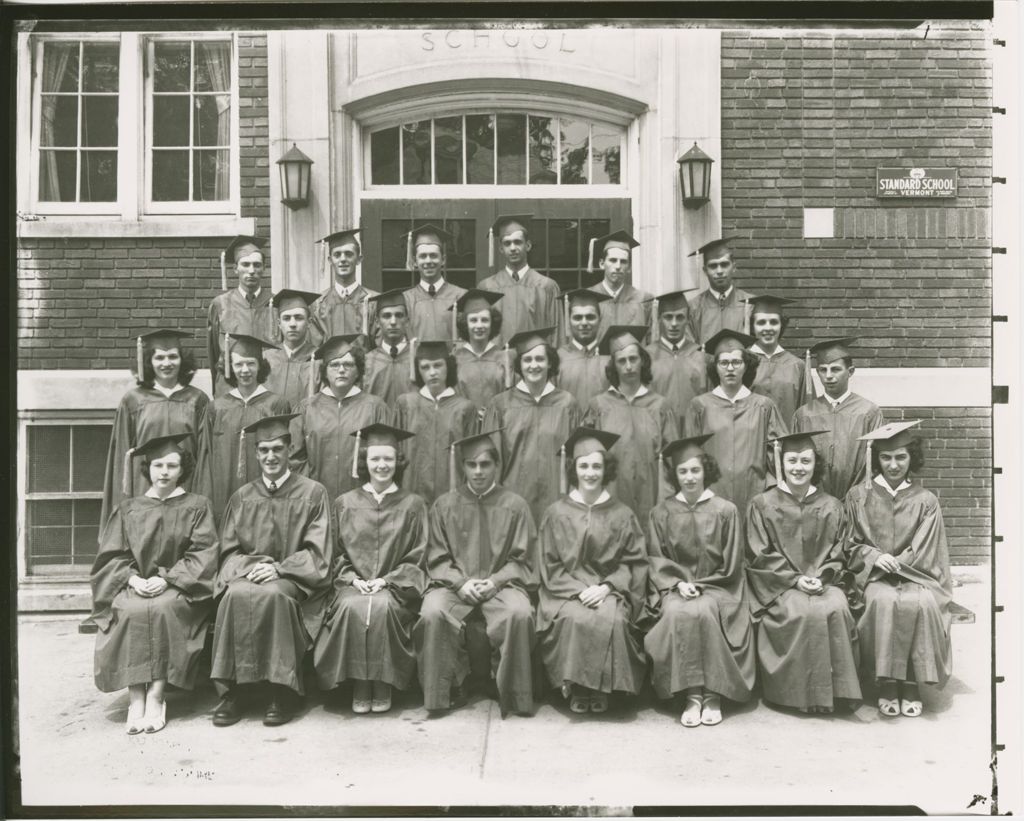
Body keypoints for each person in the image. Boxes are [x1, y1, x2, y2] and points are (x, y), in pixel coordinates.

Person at [91, 432, 219, 735]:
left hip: (179, 587)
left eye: (172, 466)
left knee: (162, 609)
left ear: (182, 469)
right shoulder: (129, 508)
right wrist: (133, 579)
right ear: (146, 468)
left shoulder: (197, 506)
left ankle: (157, 696)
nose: (164, 472)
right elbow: (111, 556)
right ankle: (136, 698)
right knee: (131, 611)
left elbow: (203, 554)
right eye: (158, 465)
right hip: (134, 585)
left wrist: (165, 578)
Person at [210, 414, 333, 727]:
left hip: (292, 580)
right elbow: (228, 554)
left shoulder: (313, 492)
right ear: (255, 453)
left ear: (289, 449)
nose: (271, 456)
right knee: (234, 595)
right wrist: (255, 566)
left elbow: (318, 553)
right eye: (263, 450)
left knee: (276, 596)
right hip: (249, 576)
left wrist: (279, 569)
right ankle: (236, 690)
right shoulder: (242, 497)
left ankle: (282, 691)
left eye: (277, 448)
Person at [416, 429, 538, 716]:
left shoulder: (515, 506)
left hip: (503, 586)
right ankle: (446, 691)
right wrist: (460, 583)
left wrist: (495, 581)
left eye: (485, 464)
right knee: (432, 612)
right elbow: (436, 556)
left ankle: (510, 690)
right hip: (453, 586)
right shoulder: (445, 505)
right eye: (472, 464)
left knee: (520, 613)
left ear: (496, 466)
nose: (479, 471)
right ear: (463, 467)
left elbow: (524, 560)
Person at [314, 424, 427, 714]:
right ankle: (360, 683)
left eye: (388, 459)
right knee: (354, 607)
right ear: (363, 462)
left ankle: (383, 682)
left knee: (381, 607)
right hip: (352, 588)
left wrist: (387, 581)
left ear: (398, 462)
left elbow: (418, 556)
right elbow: (335, 554)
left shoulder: (413, 505)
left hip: (395, 590)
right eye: (375, 458)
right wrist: (352, 580)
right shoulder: (345, 504)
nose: (382, 465)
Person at [745, 431, 861, 714]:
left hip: (825, 581)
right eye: (792, 460)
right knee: (800, 611)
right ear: (781, 463)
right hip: (780, 585)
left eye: (806, 461)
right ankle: (798, 697)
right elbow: (759, 553)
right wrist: (795, 579)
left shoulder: (832, 505)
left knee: (834, 605)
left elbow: (840, 551)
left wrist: (821, 577)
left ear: (815, 464)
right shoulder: (762, 505)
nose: (798, 467)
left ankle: (835, 696)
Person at [644, 434, 755, 727]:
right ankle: (693, 693)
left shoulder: (726, 510)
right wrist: (678, 583)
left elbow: (733, 564)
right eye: (683, 471)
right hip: (675, 589)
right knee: (678, 610)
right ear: (674, 475)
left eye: (695, 470)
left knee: (704, 610)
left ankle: (713, 692)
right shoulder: (661, 513)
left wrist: (703, 585)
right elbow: (656, 559)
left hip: (720, 587)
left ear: (706, 470)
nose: (690, 477)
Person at [844, 421, 953, 718]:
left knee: (921, 601)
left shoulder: (926, 500)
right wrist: (873, 557)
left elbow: (928, 547)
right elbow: (848, 543)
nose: (893, 465)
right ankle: (888, 682)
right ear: (875, 459)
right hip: (874, 577)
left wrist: (901, 563)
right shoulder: (858, 496)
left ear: (911, 458)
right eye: (886, 457)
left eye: (901, 457)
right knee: (883, 601)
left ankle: (912, 683)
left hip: (917, 575)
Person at [537, 428, 648, 714]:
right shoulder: (556, 512)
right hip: (566, 592)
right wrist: (579, 590)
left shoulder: (622, 513)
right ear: (574, 469)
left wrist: (607, 587)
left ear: (606, 469)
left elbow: (633, 562)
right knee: (574, 616)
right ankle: (577, 686)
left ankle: (601, 688)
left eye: (596, 466)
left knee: (611, 616)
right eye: (583, 466)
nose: (590, 473)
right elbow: (550, 564)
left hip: (610, 590)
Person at [101, 329, 210, 528]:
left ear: (182, 360)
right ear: (148, 362)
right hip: (144, 489)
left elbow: (205, 453)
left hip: (186, 488)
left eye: (172, 357)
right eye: (159, 357)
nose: (166, 363)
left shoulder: (197, 400)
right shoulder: (133, 400)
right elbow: (121, 455)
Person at [482, 328, 584, 525]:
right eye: (527, 360)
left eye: (540, 359)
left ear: (550, 363)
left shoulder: (567, 404)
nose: (533, 365)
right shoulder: (500, 405)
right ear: (519, 365)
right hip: (513, 500)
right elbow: (492, 459)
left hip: (559, 499)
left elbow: (577, 458)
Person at [683, 328, 787, 516]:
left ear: (746, 365)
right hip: (711, 496)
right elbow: (690, 456)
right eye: (724, 363)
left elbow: (778, 456)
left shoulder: (764, 406)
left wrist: (771, 488)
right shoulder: (699, 406)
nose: (730, 368)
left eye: (736, 362)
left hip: (754, 496)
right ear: (715, 366)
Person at [584, 326, 678, 526]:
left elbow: (672, 459)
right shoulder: (599, 405)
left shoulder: (660, 405)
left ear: (642, 360)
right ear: (614, 366)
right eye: (621, 361)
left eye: (633, 359)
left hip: (651, 494)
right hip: (611, 492)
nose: (628, 366)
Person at [195, 334, 292, 524]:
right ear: (230, 368)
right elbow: (205, 459)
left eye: (251, 363)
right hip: (223, 497)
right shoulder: (216, 408)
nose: (245, 370)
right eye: (238, 365)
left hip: (266, 497)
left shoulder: (276, 404)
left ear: (260, 366)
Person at [291, 334, 394, 502]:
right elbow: (295, 459)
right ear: (324, 370)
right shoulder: (307, 408)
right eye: (334, 365)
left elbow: (386, 454)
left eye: (348, 364)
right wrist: (309, 493)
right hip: (316, 500)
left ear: (358, 371)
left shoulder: (375, 407)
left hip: (363, 502)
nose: (341, 370)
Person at [791, 337, 884, 499]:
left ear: (850, 372)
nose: (828, 376)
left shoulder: (868, 412)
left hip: (858, 502)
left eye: (835, 369)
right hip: (814, 503)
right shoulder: (804, 414)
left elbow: (877, 461)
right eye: (822, 370)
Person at [396, 340, 478, 505]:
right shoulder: (406, 404)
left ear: (448, 367)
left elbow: (472, 456)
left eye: (438, 365)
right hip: (411, 494)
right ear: (418, 371)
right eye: (425, 367)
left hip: (454, 496)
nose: (432, 372)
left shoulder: (464, 408)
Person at [207, 236, 275, 397]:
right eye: (245, 264)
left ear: (264, 268)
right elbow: (214, 353)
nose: (251, 270)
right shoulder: (220, 305)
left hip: (268, 387)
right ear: (235, 269)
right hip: (230, 387)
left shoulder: (276, 304)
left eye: (257, 265)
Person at [478, 214, 560, 344]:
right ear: (500, 248)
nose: (512, 248)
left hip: (533, 362)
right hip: (498, 361)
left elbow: (557, 335)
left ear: (528, 245)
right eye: (507, 243)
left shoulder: (547, 287)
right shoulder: (487, 287)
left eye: (517, 242)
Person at [309, 229, 379, 345]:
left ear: (359, 259)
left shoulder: (374, 301)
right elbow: (314, 349)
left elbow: (379, 350)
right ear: (330, 260)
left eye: (349, 254)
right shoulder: (318, 304)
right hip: (330, 363)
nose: (343, 259)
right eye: (337, 255)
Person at [744, 294, 807, 423]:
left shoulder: (797, 365)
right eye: (761, 322)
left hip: (787, 441)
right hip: (750, 439)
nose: (768, 328)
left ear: (781, 326)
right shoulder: (742, 362)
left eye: (774, 322)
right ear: (752, 327)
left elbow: (805, 413)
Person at [645, 289, 707, 417]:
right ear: (659, 318)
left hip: (695, 432)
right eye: (668, 317)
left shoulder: (701, 355)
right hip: (659, 429)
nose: (674, 324)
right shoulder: (646, 357)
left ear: (688, 320)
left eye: (680, 317)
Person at [403, 224, 466, 341]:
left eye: (433, 255)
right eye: (423, 256)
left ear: (443, 260)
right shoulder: (405, 300)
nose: (428, 261)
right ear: (415, 261)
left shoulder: (461, 296)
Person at [586, 231, 652, 343]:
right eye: (612, 260)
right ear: (602, 264)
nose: (618, 266)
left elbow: (651, 342)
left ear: (629, 267)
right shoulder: (588, 298)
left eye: (623, 262)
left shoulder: (644, 300)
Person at [685, 237, 753, 345]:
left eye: (724, 264)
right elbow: (689, 351)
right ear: (705, 270)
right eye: (713, 266)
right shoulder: (693, 308)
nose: (719, 271)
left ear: (734, 267)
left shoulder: (750, 304)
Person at [452, 289, 507, 417]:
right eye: (473, 320)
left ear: (492, 323)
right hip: (463, 425)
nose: (479, 325)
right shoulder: (455, 359)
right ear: (465, 324)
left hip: (498, 423)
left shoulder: (504, 358)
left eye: (484, 320)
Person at [264, 288, 321, 408]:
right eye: (286, 318)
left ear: (309, 323)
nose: (292, 324)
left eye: (299, 318)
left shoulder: (319, 359)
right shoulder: (266, 359)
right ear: (279, 324)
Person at [556, 288, 612, 408]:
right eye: (577, 318)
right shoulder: (557, 359)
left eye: (590, 317)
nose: (584, 322)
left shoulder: (611, 357)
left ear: (600, 319)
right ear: (568, 320)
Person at [363, 288, 417, 407]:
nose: (393, 321)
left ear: (407, 321)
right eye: (386, 316)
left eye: (399, 315)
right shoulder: (367, 362)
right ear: (377, 322)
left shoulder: (419, 359)